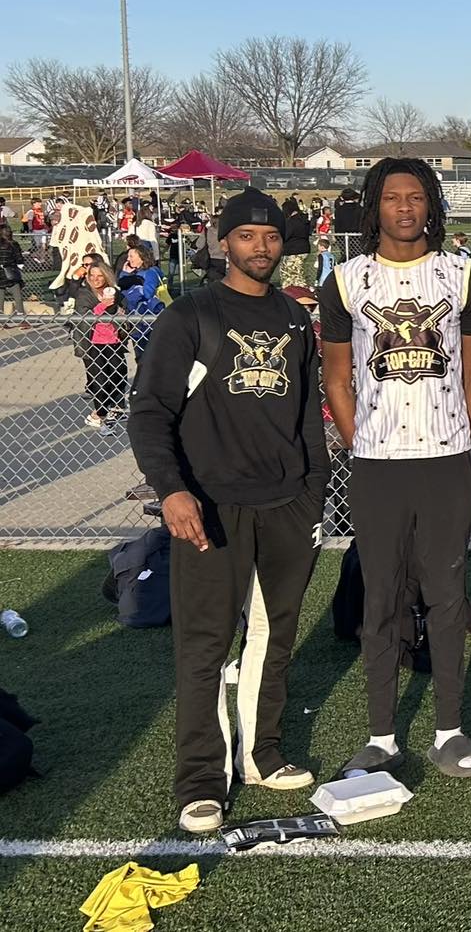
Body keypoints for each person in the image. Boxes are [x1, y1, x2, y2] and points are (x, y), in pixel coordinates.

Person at [126, 187, 328, 835]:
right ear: (223, 240)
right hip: (210, 506)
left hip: (288, 504)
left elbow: (308, 415)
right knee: (206, 646)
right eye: (246, 235)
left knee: (273, 636)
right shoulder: (191, 315)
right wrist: (171, 489)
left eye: (270, 236)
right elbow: (149, 412)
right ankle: (201, 781)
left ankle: (261, 754)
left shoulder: (293, 316)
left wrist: (315, 489)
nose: (260, 246)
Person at [317, 157, 471, 780]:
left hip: (444, 459)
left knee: (447, 594)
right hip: (378, 465)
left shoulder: (462, 275)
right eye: (392, 197)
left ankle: (449, 730)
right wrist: (360, 441)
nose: (405, 208)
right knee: (382, 598)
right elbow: (337, 378)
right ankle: (382, 736)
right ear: (375, 206)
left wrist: (462, 437)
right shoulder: (345, 281)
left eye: (416, 197)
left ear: (431, 205)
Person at [65, 259, 128, 433]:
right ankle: (99, 415)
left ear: (106, 277)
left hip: (114, 342)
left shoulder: (114, 292)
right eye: (92, 275)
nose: (95, 279)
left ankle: (116, 409)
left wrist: (120, 309)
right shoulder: (84, 294)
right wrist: (102, 306)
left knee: (119, 374)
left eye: (100, 276)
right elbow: (83, 319)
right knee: (100, 381)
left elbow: (124, 310)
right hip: (93, 344)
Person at [0, 223, 25, 327]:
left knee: (0, 297)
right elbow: (19, 260)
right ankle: (22, 319)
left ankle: (1, 321)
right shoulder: (13, 244)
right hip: (11, 272)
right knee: (17, 296)